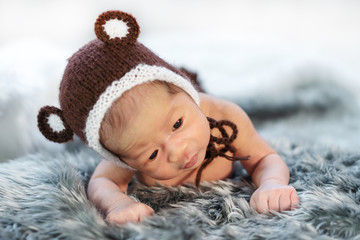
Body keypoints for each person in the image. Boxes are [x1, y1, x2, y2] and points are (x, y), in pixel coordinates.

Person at [37, 10, 299, 225]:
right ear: (120, 157)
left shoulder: (223, 114)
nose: (177, 151)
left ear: (185, 91)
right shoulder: (126, 148)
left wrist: (271, 184)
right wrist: (118, 203)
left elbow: (265, 157)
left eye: (177, 124)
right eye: (151, 154)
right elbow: (103, 181)